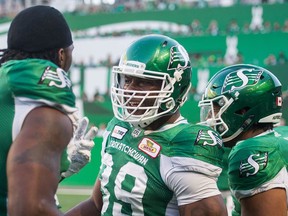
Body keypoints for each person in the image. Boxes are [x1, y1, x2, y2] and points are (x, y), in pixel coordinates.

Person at [65, 34, 227, 216]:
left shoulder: (183, 147)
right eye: (127, 80)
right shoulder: (119, 128)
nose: (128, 90)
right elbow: (97, 204)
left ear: (175, 89)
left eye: (143, 82)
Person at [0, 5, 97, 216]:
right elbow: (32, 208)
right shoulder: (40, 95)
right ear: (61, 55)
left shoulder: (5, 87)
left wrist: (59, 168)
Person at [198, 64, 287, 216]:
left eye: (216, 108)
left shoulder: (252, 152)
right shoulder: (279, 136)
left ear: (243, 111)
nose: (209, 118)